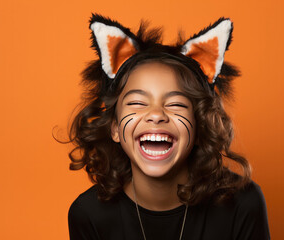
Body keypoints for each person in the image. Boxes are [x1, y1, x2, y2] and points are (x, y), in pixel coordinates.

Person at [66, 13, 270, 240]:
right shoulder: (88, 215)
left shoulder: (242, 205)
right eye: (137, 103)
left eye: (175, 104)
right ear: (114, 128)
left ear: (200, 124)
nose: (155, 114)